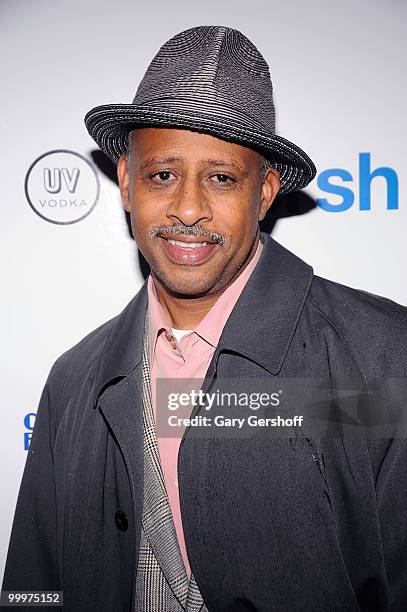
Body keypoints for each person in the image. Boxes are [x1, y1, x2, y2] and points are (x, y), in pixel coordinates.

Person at [2, 25, 407, 612]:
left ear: (264, 193)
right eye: (162, 175)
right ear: (125, 181)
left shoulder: (382, 360)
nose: (188, 209)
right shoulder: (73, 380)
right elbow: (31, 589)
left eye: (221, 178)